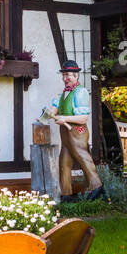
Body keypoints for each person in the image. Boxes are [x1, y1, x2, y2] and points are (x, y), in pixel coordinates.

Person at [45, 60, 102, 198]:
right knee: (64, 163)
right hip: (65, 134)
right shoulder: (62, 94)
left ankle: (97, 188)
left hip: (77, 132)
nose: (65, 79)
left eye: (68, 75)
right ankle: (66, 194)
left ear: (76, 76)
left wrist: (64, 118)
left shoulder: (80, 92)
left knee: (83, 157)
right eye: (63, 75)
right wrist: (46, 115)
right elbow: (53, 109)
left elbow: (83, 118)